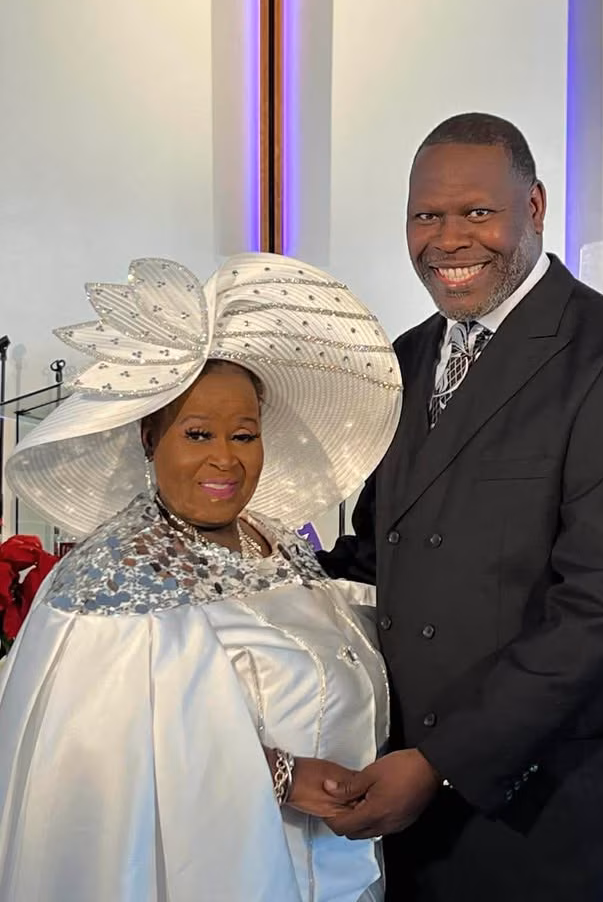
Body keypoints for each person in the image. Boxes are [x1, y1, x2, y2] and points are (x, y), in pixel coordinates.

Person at [318, 113, 603, 901]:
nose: (448, 240)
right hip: (428, 819)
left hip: (576, 820)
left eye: (477, 212)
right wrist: (245, 571)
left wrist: (441, 764)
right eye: (426, 215)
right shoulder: (406, 359)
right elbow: (378, 556)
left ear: (533, 207)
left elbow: (600, 610)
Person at [0, 253, 402, 901]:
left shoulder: (274, 542)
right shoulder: (113, 579)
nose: (225, 459)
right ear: (148, 438)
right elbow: (101, 766)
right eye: (197, 434)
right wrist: (281, 776)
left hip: (342, 869)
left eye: (243, 435)